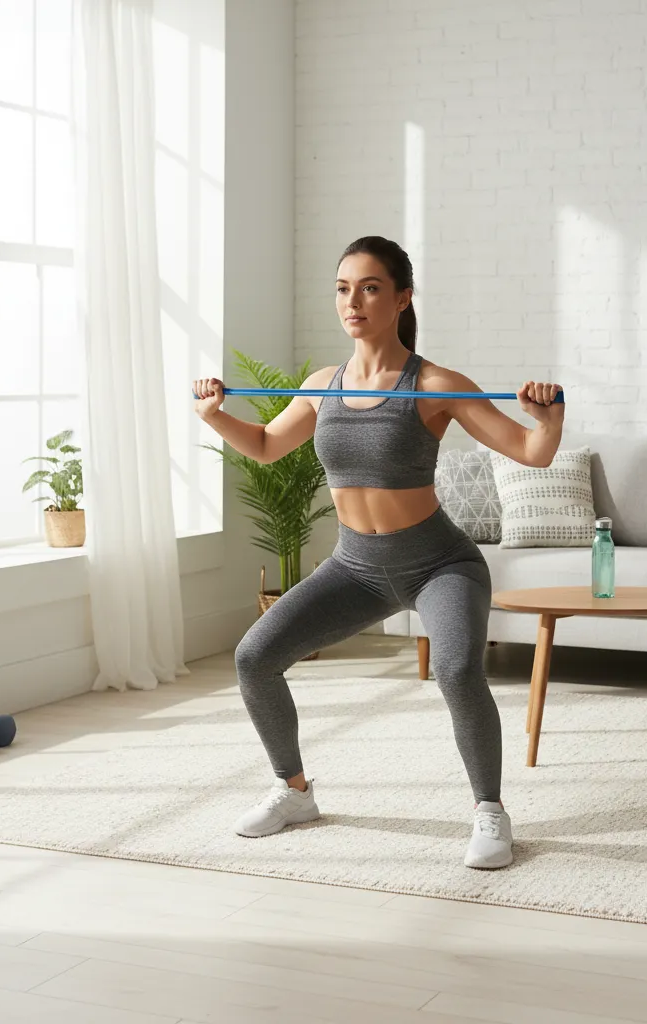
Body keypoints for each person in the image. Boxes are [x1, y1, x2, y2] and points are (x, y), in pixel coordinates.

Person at [193, 235, 564, 869]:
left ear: (401, 298)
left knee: (455, 671)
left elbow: (532, 452)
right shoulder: (321, 385)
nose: (353, 301)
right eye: (343, 288)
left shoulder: (436, 384)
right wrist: (214, 415)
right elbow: (262, 444)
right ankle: (294, 792)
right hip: (355, 569)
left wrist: (549, 417)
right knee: (254, 656)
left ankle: (491, 812)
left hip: (439, 566)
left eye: (369, 287)